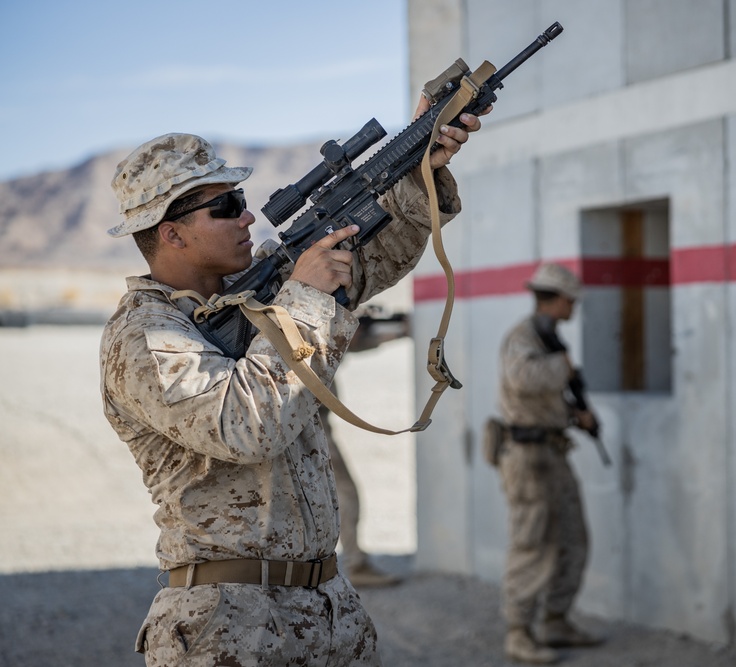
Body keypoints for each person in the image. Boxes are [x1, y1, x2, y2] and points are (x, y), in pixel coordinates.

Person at [99, 97, 484, 666]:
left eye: (243, 202)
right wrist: (303, 298)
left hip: (324, 608)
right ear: (172, 235)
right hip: (227, 627)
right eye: (226, 207)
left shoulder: (255, 293)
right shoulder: (144, 336)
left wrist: (419, 175)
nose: (247, 218)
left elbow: (376, 259)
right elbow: (246, 426)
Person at [495, 263, 604, 664]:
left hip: (552, 453)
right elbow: (522, 379)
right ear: (555, 300)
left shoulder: (548, 336)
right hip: (528, 457)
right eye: (570, 300)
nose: (573, 307)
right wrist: (565, 370)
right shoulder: (525, 337)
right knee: (532, 544)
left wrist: (576, 415)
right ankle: (519, 632)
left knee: (573, 539)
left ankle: (555, 621)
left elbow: (540, 399)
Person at [320, 307, 410, 588]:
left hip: (310, 425)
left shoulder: (317, 333)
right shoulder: (319, 335)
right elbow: (353, 343)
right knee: (345, 494)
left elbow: (356, 345)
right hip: (311, 427)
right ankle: (355, 563)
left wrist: (395, 334)